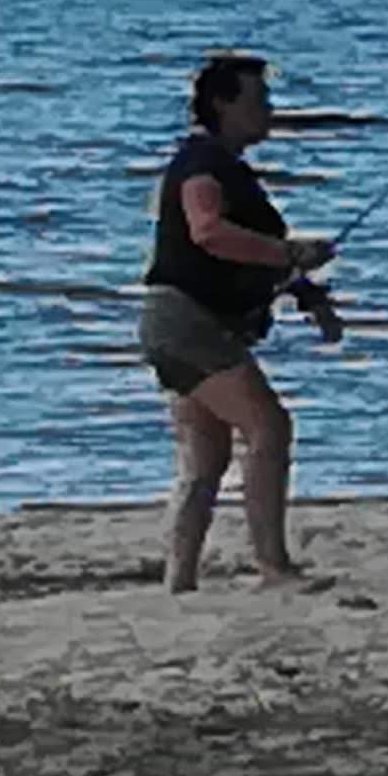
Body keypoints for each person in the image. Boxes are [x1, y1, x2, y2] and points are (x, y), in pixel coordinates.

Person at [140, 51, 343, 594]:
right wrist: (290, 253)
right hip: (187, 322)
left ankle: (179, 582)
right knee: (269, 427)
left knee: (206, 458)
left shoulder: (223, 165)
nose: (270, 111)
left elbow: (248, 254)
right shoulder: (203, 164)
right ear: (223, 105)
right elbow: (208, 231)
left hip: (177, 323)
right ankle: (273, 568)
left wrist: (307, 294)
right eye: (259, 100)